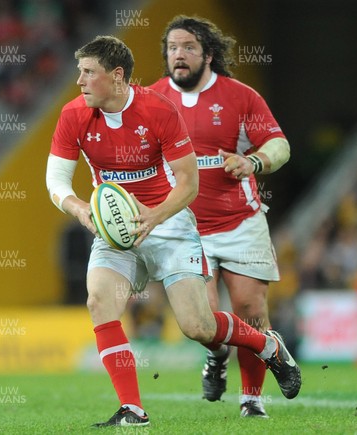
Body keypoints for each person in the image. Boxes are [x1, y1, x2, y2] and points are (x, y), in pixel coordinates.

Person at [45, 35, 300, 427]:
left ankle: (267, 344)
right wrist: (81, 209)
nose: (79, 81)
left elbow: (188, 184)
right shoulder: (73, 115)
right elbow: (56, 181)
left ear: (116, 76)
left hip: (169, 222)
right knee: (99, 301)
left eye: (87, 72)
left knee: (198, 327)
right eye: (79, 72)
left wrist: (155, 216)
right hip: (116, 231)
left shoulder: (158, 109)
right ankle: (133, 409)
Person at [150, 16, 292, 418]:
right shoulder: (151, 99)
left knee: (250, 308)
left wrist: (254, 162)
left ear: (208, 54)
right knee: (204, 320)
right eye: (172, 47)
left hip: (240, 220)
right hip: (184, 227)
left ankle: (252, 399)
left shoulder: (241, 96)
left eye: (188, 47)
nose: (178, 54)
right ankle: (216, 357)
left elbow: (279, 144)